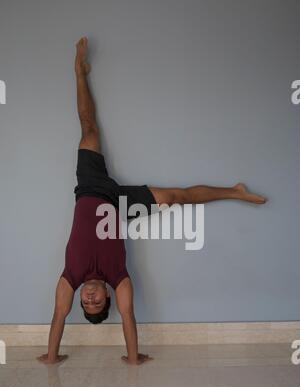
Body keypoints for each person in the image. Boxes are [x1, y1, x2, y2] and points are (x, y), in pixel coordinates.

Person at [38, 37, 266, 366]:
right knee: (178, 198)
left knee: (88, 129)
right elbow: (128, 316)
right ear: (106, 298)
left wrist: (50, 356)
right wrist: (134, 358)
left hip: (90, 188)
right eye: (95, 302)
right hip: (119, 206)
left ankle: (79, 72)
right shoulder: (119, 277)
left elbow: (58, 317)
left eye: (85, 303)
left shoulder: (69, 278)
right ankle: (235, 191)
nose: (88, 298)